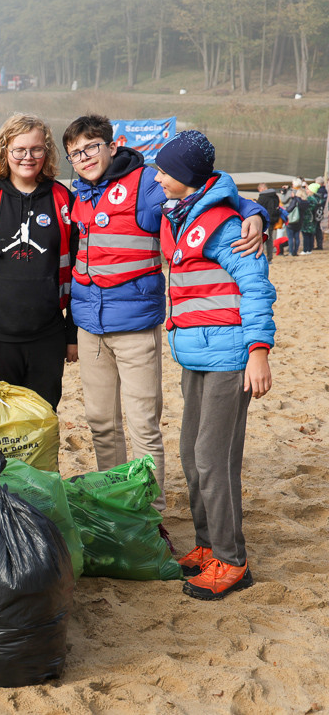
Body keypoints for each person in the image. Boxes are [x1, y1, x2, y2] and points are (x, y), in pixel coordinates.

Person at [61, 114, 266, 519]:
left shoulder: (146, 185)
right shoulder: (78, 194)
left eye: (91, 147)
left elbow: (204, 188)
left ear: (112, 145)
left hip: (136, 326)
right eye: (74, 154)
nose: (84, 158)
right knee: (102, 424)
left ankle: (150, 517)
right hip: (89, 327)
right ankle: (117, 508)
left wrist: (255, 209)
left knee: (143, 427)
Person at [153, 130, 276, 600]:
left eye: (165, 171)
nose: (157, 177)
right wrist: (257, 207)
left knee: (214, 458)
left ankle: (232, 560)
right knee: (190, 453)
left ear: (186, 176)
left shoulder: (225, 226)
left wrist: (259, 352)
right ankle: (206, 546)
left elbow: (256, 288)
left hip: (230, 357)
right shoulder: (182, 213)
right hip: (196, 354)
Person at [0, 113, 77, 411]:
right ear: (4, 151)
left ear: (46, 151)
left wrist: (71, 335)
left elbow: (79, 273)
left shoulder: (63, 199)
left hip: (47, 335)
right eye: (19, 150)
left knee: (41, 422)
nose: (28, 157)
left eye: (36, 149)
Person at [256, 183, 280, 262]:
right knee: (270, 239)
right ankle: (270, 258)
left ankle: (261, 256)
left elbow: (258, 208)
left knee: (262, 238)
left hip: (264, 220)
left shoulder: (262, 197)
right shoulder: (275, 196)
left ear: (261, 189)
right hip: (273, 219)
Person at [283, 183, 306, 256]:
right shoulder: (305, 201)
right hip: (300, 221)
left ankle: (291, 252)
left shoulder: (296, 201)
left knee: (290, 237)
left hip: (292, 220)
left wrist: (285, 209)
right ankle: (295, 251)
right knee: (297, 237)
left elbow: (289, 209)